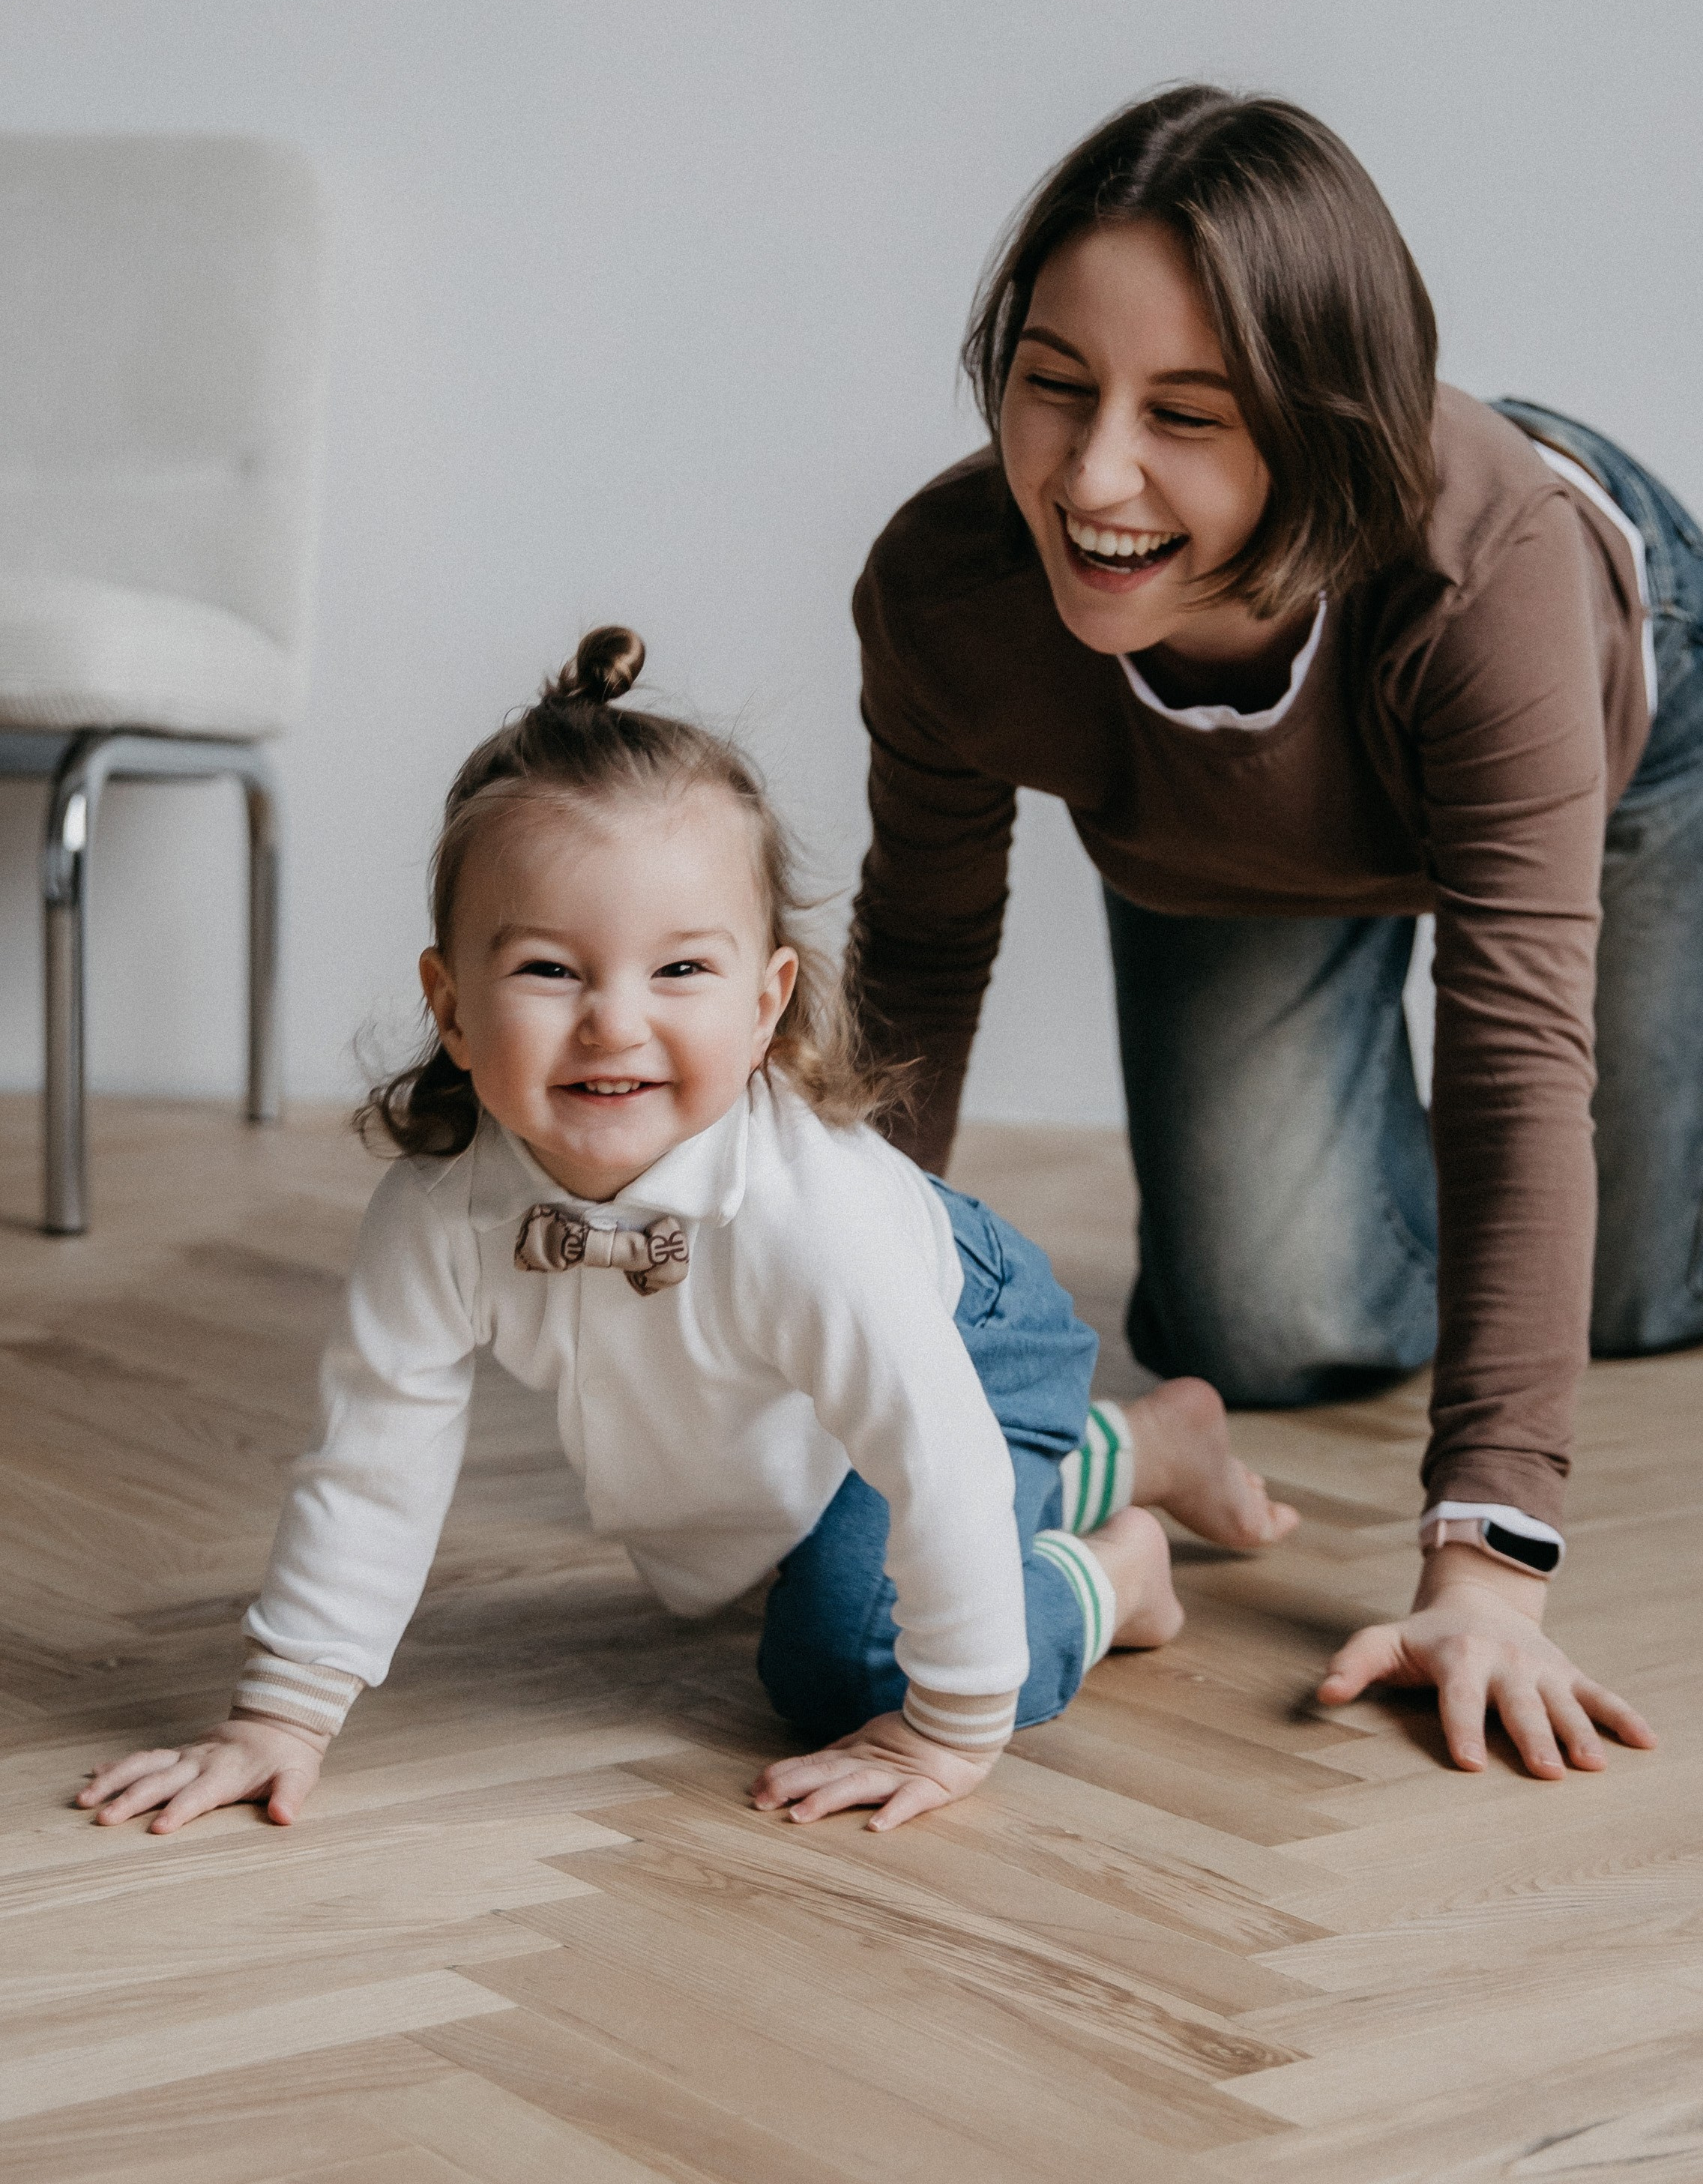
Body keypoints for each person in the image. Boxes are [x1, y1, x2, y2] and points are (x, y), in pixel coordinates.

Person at [79, 629, 1295, 1839]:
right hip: (826, 1385)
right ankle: (1138, 1442)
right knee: (801, 1539)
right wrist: (280, 1717)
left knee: (843, 1667)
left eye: (678, 971)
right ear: (449, 1004)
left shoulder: (810, 1226)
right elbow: (372, 1461)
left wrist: (950, 1723)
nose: (615, 1023)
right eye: (552, 970)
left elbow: (938, 1457)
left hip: (971, 1336)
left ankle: (1113, 1573)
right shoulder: (439, 1215)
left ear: (765, 1005)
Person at [850, 85, 1679, 1780]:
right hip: (1237, 835)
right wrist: (830, 1323)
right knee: (1260, 1332)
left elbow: (1517, 1052)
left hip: (1626, 730)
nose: (1088, 475)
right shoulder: (948, 596)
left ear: (1311, 419)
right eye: (1052, 386)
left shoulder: (1487, 569)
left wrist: (1485, 1563)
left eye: (1186, 413)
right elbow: (916, 969)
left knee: (1626, 1292)